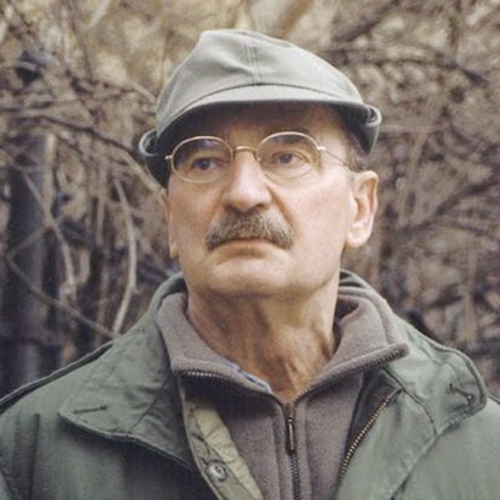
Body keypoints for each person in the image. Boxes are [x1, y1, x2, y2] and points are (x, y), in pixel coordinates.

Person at [0, 29, 499, 500]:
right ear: (171, 219)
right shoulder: (36, 455)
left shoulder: (478, 447)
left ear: (360, 208)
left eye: (287, 156)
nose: (243, 193)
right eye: (205, 162)